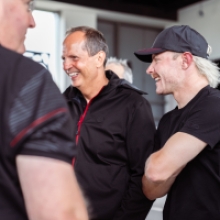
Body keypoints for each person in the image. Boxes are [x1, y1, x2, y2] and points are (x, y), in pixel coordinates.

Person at [0, 1, 88, 220]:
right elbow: (60, 214)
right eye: (27, 6)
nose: (32, 22)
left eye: (74, 58)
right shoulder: (25, 80)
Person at [62, 26, 156, 220]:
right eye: (64, 59)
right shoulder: (61, 103)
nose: (66, 66)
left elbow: (142, 176)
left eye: (74, 58)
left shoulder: (134, 106)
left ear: (99, 58)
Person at [134, 25, 220, 220]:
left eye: (156, 60)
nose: (149, 69)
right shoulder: (167, 121)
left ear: (185, 60)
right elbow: (151, 191)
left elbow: (156, 172)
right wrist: (172, 163)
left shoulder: (214, 106)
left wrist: (167, 165)